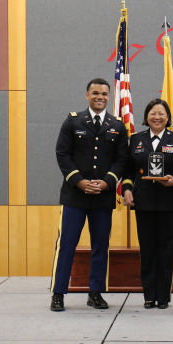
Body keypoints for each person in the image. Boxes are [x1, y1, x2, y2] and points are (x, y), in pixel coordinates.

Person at [50, 78, 128, 311]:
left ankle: (95, 293)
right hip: (75, 195)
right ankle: (58, 293)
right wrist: (79, 181)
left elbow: (121, 160)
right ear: (87, 95)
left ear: (108, 96)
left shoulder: (117, 125)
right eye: (95, 93)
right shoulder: (73, 122)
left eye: (104, 94)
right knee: (67, 244)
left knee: (100, 245)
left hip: (102, 197)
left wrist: (106, 183)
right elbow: (62, 154)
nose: (100, 97)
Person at [122, 99, 173, 309]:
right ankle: (148, 295)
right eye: (153, 113)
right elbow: (128, 172)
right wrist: (127, 189)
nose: (157, 117)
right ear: (146, 117)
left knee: (166, 250)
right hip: (142, 202)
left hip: (169, 202)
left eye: (161, 114)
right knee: (147, 250)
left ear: (168, 117)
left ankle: (163, 295)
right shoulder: (135, 139)